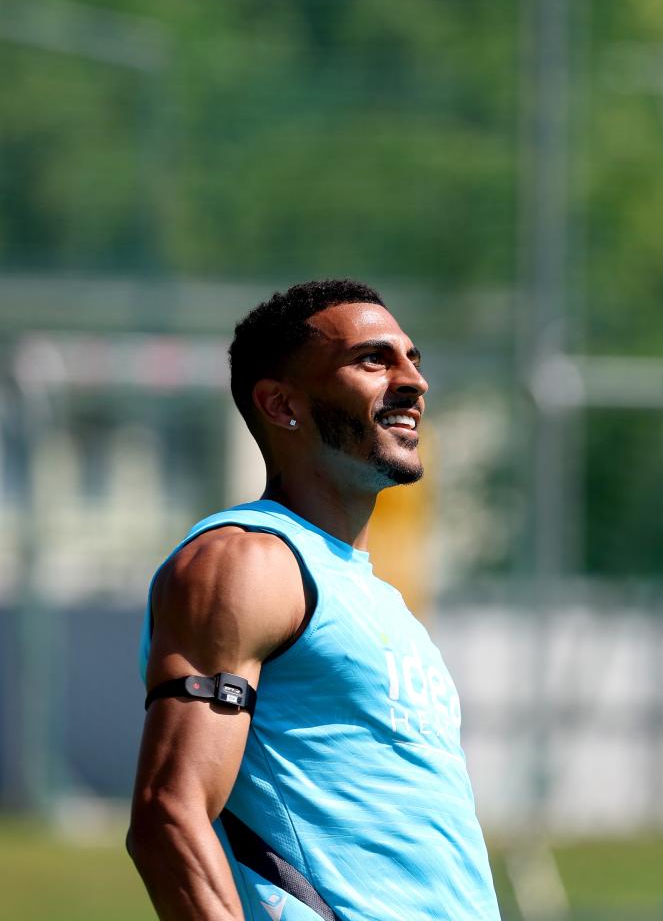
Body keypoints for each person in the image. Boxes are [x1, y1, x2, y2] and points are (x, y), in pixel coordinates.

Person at [128, 279, 500, 921]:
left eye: (412, 359)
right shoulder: (246, 563)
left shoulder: (376, 596)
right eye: (373, 360)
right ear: (281, 405)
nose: (413, 381)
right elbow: (168, 815)